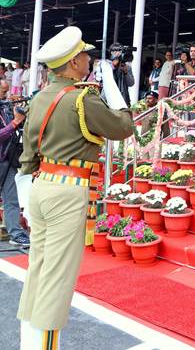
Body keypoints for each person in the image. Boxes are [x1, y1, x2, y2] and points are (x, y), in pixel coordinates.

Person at [16, 26, 134, 349]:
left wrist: (26, 201)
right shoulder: (82, 99)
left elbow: (28, 154)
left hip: (40, 187)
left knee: (38, 271)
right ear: (72, 64)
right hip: (68, 191)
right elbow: (124, 126)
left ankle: (29, 343)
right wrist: (110, 83)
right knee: (56, 282)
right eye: (83, 54)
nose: (88, 58)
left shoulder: (40, 98)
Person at [0, 79, 29, 247]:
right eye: (4, 92)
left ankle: (16, 234)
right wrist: (14, 122)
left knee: (11, 199)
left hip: (7, 159)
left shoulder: (4, 107)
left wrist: (18, 118)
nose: (6, 95)